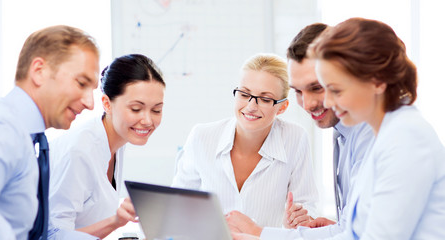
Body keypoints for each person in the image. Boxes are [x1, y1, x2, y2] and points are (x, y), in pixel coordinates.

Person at [233, 17, 445, 240]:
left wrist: (261, 237)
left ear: (377, 81)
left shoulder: (405, 138)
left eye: (334, 89)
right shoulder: (380, 133)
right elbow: (354, 232)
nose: (328, 102)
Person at [227, 23, 373, 239]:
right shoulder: (342, 133)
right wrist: (338, 228)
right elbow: (358, 227)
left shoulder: (376, 136)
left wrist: (259, 234)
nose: (307, 104)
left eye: (317, 87)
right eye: (298, 91)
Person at [0, 25, 100, 240]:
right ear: (39, 71)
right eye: (81, 83)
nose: (90, 103)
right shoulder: (1, 128)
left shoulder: (32, 140)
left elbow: (41, 234)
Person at [172, 53, 318, 227]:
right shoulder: (201, 137)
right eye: (244, 94)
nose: (250, 106)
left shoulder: (295, 138)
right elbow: (176, 207)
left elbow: (307, 207)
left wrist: (299, 219)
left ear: (282, 107)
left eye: (265, 99)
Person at [48, 54, 165, 239]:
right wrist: (115, 221)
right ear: (106, 104)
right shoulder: (80, 151)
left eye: (156, 110)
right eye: (136, 109)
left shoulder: (118, 140)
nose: (148, 120)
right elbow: (55, 237)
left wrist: (117, 221)